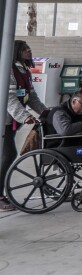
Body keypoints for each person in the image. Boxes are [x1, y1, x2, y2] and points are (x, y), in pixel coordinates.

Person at [2, 40, 47, 211]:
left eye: (29, 47)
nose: (29, 50)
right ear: (16, 52)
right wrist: (24, 116)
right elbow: (9, 97)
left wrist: (44, 111)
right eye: (24, 49)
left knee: (7, 156)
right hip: (4, 121)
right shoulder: (9, 70)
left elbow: (31, 96)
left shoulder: (24, 70)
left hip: (11, 123)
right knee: (8, 155)